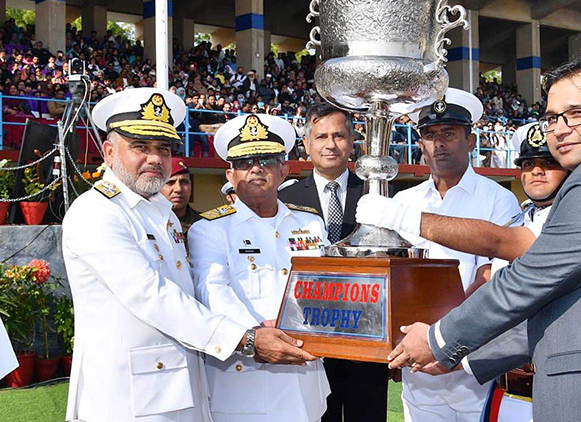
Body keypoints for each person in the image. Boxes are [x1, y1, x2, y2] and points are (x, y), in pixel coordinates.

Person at [384, 54, 581, 422]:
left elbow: (530, 278)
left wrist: (439, 340)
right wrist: (463, 359)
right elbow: (561, 309)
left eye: (578, 113)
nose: (561, 129)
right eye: (553, 118)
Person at [62, 88, 305, 422]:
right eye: (140, 146)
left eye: (163, 149)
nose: (154, 158)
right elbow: (151, 295)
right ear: (109, 152)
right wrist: (245, 337)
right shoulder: (96, 212)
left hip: (176, 389)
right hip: (127, 401)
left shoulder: (160, 212)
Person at [358, 121, 569, 422]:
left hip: (480, 357)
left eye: (548, 164)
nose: (536, 172)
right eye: (527, 164)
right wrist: (398, 341)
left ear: (470, 141)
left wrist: (440, 337)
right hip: (427, 354)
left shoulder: (505, 201)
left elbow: (493, 261)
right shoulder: (523, 216)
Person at [390, 88, 521, 422]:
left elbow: (492, 278)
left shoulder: (499, 200)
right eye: (430, 135)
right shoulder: (403, 203)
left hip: (471, 362)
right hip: (417, 362)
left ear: (471, 141)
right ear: (420, 144)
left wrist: (443, 336)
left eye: (449, 133)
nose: (439, 143)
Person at [189, 113, 330, 422]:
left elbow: (326, 286)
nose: (256, 168)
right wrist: (254, 335)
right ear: (230, 175)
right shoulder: (209, 229)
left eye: (266, 160)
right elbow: (212, 291)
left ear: (284, 170)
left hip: (305, 378)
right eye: (244, 162)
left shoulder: (310, 223)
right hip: (244, 379)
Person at [279, 102, 388, 422]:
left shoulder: (379, 195)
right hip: (308, 337)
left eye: (339, 136)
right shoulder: (285, 200)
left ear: (353, 141)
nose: (330, 144)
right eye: (321, 136)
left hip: (366, 336)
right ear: (306, 143)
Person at [161, 157, 201, 236]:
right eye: (170, 182)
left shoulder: (203, 223)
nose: (178, 189)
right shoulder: (149, 221)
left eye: (184, 182)